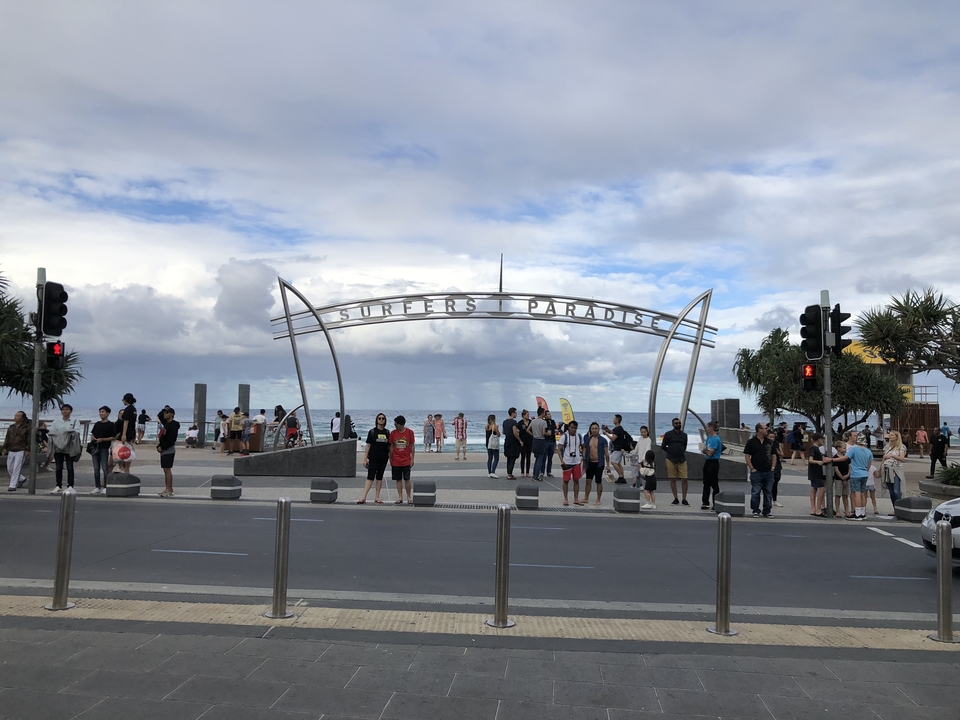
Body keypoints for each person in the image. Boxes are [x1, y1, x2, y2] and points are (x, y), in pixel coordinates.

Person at [834, 435, 873, 520]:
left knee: (856, 493)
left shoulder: (854, 450)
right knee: (863, 493)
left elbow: (844, 458)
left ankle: (857, 513)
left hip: (856, 474)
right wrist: (866, 470)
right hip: (864, 473)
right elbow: (869, 463)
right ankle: (863, 512)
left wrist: (831, 459)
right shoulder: (868, 451)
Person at [744, 422, 776, 518]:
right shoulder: (751, 442)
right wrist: (751, 468)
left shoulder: (769, 442)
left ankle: (767, 510)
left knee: (768, 492)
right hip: (756, 471)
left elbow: (774, 455)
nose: (766, 430)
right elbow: (747, 455)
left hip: (768, 471)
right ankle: (755, 510)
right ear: (759, 430)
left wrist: (773, 467)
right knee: (755, 492)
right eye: (765, 428)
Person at [49, 404, 81, 494]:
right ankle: (58, 485)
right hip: (58, 446)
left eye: (67, 409)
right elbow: (51, 431)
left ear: (71, 411)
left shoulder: (75, 421)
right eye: (63, 409)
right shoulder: (56, 421)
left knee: (70, 467)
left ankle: (70, 485)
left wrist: (66, 432)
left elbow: (77, 431)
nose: (65, 411)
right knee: (58, 467)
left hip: (70, 447)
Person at [359, 413, 390, 504]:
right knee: (370, 477)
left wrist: (391, 458)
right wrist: (365, 458)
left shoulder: (387, 432)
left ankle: (377, 497)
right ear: (376, 420)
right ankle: (363, 497)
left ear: (385, 420)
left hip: (383, 458)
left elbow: (389, 447)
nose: (381, 420)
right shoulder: (372, 432)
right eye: (379, 418)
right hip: (373, 457)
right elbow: (368, 446)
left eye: (383, 418)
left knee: (379, 477)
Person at [581, 422, 611, 506]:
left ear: (599, 429)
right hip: (589, 463)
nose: (594, 430)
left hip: (599, 463)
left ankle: (598, 499)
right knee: (588, 481)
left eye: (596, 428)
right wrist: (583, 460)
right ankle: (586, 498)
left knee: (598, 482)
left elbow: (606, 453)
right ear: (590, 429)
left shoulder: (603, 440)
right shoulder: (588, 439)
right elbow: (585, 450)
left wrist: (608, 465)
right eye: (592, 428)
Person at [661, 418, 689, 506]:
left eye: (679, 423)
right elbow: (663, 446)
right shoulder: (668, 434)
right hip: (671, 459)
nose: (678, 424)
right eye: (676, 423)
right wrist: (670, 451)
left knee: (684, 478)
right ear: (673, 424)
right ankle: (675, 498)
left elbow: (684, 446)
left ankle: (684, 498)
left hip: (681, 459)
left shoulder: (684, 435)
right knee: (672, 478)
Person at [87, 406, 114, 495]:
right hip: (95, 447)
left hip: (104, 448)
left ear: (108, 413)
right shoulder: (97, 424)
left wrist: (102, 439)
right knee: (96, 468)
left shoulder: (111, 425)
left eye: (103, 412)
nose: (101, 413)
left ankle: (105, 486)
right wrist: (93, 438)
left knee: (105, 467)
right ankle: (97, 486)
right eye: (100, 412)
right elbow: (92, 434)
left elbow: (113, 437)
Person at [389, 415, 415, 504]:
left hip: (406, 460)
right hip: (396, 460)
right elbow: (391, 446)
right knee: (398, 479)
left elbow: (412, 445)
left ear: (401, 424)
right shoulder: (393, 433)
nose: (395, 425)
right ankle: (400, 497)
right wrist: (390, 458)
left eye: (396, 424)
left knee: (407, 479)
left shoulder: (410, 432)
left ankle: (408, 497)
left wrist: (412, 458)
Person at [2, 410, 31, 491]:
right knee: (9, 468)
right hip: (11, 449)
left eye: (18, 416)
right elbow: (7, 438)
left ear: (22, 418)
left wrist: (28, 449)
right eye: (15, 415)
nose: (15, 417)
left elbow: (29, 439)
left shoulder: (26, 428)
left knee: (16, 468)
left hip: (21, 450)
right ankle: (21, 478)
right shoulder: (11, 427)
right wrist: (4, 448)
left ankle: (13, 485)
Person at [556, 421, 582, 506]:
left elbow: (583, 447)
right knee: (566, 481)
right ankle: (566, 499)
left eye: (575, 428)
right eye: (572, 427)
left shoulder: (579, 436)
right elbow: (559, 449)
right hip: (567, 462)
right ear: (568, 428)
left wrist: (582, 457)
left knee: (576, 481)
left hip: (576, 462)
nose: (573, 429)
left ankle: (576, 499)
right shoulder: (564, 437)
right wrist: (561, 460)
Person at [156, 407, 180, 497]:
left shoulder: (173, 425)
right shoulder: (166, 424)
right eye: (164, 412)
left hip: (168, 449)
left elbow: (171, 439)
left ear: (172, 414)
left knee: (167, 469)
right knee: (165, 470)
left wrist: (163, 447)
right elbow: (159, 416)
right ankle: (168, 488)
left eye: (167, 412)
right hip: (163, 449)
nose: (164, 414)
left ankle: (169, 489)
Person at [882, 430, 906, 514]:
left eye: (892, 435)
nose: (890, 436)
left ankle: (900, 508)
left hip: (896, 469)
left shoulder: (901, 447)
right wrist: (880, 469)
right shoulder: (886, 446)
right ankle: (895, 508)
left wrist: (892, 455)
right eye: (890, 435)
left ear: (896, 437)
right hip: (887, 469)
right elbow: (884, 458)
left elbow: (902, 459)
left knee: (896, 491)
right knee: (891, 491)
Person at [701, 421, 722, 510]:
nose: (706, 429)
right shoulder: (709, 438)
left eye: (708, 427)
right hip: (708, 461)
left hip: (713, 462)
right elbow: (704, 449)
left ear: (712, 428)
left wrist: (705, 451)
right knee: (706, 482)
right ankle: (705, 502)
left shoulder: (716, 439)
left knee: (714, 483)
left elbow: (710, 453)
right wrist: (705, 451)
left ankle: (716, 502)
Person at [603, 414, 628, 484]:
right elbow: (612, 432)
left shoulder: (619, 429)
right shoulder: (617, 428)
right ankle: (622, 476)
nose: (613, 420)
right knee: (618, 464)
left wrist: (606, 434)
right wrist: (607, 429)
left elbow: (613, 438)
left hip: (618, 448)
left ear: (617, 420)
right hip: (619, 448)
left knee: (613, 462)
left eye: (614, 419)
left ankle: (620, 476)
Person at [807, 433, 828, 516]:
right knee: (822, 489)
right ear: (819, 439)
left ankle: (813, 509)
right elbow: (810, 460)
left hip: (816, 472)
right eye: (822, 439)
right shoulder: (813, 448)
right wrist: (818, 462)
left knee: (814, 489)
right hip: (814, 472)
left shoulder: (817, 449)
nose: (823, 441)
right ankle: (818, 509)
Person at [116, 393, 137, 472]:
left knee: (121, 448)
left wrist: (123, 434)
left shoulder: (128, 409)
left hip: (127, 432)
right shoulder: (134, 409)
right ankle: (126, 468)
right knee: (128, 447)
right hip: (132, 431)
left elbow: (126, 422)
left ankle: (122, 467)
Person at [832, 440, 852, 518]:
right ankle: (837, 510)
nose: (845, 449)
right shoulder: (835, 458)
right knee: (838, 494)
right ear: (838, 448)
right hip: (838, 478)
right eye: (844, 448)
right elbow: (836, 469)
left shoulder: (846, 457)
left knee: (845, 495)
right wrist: (842, 477)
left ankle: (847, 510)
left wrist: (847, 475)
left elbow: (849, 466)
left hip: (847, 477)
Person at [530, 407, 550, 481]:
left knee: (537, 457)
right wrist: (548, 434)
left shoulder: (533, 421)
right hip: (541, 440)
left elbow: (528, 430)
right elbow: (543, 432)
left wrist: (533, 434)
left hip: (535, 440)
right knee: (540, 459)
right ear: (542, 413)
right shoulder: (543, 422)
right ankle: (536, 475)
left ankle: (534, 473)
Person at [502, 408, 522, 480]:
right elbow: (515, 432)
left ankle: (509, 473)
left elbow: (503, 432)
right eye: (515, 413)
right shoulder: (514, 422)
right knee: (513, 458)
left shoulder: (504, 422)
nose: (516, 414)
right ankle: (510, 474)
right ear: (512, 413)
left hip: (507, 440)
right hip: (513, 441)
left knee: (509, 458)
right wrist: (520, 440)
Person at [517, 409, 533, 477]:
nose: (528, 415)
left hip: (529, 441)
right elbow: (518, 432)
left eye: (528, 414)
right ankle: (522, 471)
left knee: (528, 457)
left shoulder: (531, 422)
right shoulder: (520, 423)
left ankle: (527, 472)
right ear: (523, 415)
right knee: (523, 457)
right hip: (523, 441)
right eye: (527, 414)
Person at [543, 410, 558, 477]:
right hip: (546, 440)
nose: (550, 415)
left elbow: (554, 429)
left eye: (550, 414)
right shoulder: (544, 422)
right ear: (545, 415)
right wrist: (546, 434)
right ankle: (542, 471)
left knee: (550, 458)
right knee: (544, 457)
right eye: (548, 414)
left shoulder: (552, 421)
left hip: (552, 440)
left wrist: (556, 431)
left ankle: (549, 471)